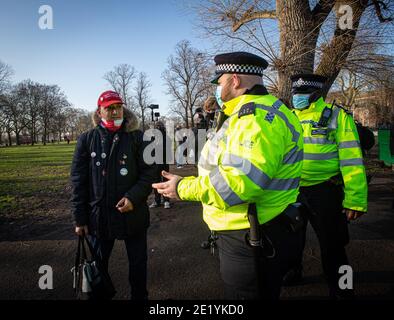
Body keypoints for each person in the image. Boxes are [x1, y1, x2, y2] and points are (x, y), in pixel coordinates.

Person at [153, 52, 304, 299]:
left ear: (234, 80)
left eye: (219, 81)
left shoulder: (256, 118)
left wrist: (183, 188)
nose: (217, 88)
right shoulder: (252, 112)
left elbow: (240, 184)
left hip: (251, 233)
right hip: (257, 226)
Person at [284, 74, 368, 299]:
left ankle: (344, 287)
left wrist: (356, 200)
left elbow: (352, 161)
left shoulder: (337, 116)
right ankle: (293, 272)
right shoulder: (288, 118)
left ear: (315, 93)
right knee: (291, 241)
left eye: (302, 94)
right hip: (292, 191)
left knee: (334, 247)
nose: (297, 98)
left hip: (325, 191)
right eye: (295, 93)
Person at [70, 90, 157, 300]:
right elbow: (78, 181)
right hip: (99, 217)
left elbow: (150, 173)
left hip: (133, 215)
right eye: (108, 108)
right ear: (99, 112)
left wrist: (133, 198)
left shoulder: (138, 137)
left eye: (117, 107)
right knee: (98, 267)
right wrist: (80, 219)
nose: (114, 111)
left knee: (138, 265)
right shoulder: (87, 139)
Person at [149, 121, 171, 209]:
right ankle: (163, 201)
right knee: (161, 181)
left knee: (159, 181)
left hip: (160, 162)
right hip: (160, 162)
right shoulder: (163, 137)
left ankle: (162, 201)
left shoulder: (162, 137)